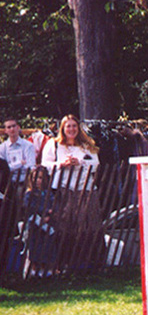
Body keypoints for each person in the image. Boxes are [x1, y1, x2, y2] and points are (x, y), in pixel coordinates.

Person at [41, 114, 104, 271]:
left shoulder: (87, 145)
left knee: (90, 224)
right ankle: (65, 264)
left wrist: (80, 163)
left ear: (78, 128)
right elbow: (45, 165)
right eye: (68, 126)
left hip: (85, 188)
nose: (71, 129)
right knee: (65, 225)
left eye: (74, 126)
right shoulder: (54, 145)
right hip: (63, 189)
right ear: (63, 128)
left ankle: (93, 263)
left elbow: (96, 164)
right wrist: (62, 164)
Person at [22, 166, 57, 278]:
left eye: (41, 178)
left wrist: (49, 215)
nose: (37, 180)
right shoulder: (30, 194)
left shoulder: (48, 194)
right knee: (34, 246)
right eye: (35, 177)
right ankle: (33, 269)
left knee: (47, 245)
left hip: (47, 224)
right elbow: (30, 207)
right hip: (35, 224)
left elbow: (54, 205)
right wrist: (44, 211)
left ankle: (46, 268)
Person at [0, 119, 36, 184]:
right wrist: (19, 163)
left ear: (18, 127)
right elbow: (3, 169)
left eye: (14, 126)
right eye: (9, 127)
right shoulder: (2, 148)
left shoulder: (28, 146)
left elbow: (30, 167)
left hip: (25, 183)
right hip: (7, 183)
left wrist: (10, 167)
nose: (12, 129)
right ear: (5, 130)